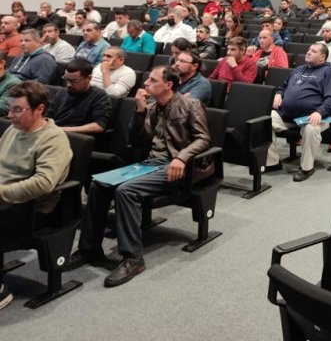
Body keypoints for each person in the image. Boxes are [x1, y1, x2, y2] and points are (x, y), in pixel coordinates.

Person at [66, 66, 210, 287]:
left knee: (127, 191)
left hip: (176, 168)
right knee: (99, 184)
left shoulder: (191, 105)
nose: (146, 84)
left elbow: (203, 139)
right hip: (150, 164)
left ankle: (133, 258)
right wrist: (141, 110)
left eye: (152, 81)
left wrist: (181, 158)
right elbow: (137, 140)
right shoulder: (152, 108)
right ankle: (89, 248)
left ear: (168, 85)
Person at [0, 81, 72, 310]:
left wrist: (1, 193)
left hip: (29, 209)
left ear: (39, 109)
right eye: (9, 108)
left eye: (17, 110)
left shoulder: (53, 139)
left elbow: (44, 183)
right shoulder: (15, 128)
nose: (10, 115)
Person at [266, 43, 331, 182]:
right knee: (264, 121)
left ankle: (307, 168)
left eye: (313, 51)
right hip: (287, 115)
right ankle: (272, 162)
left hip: (315, 116)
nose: (308, 52)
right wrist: (278, 94)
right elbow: (283, 87)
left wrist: (320, 112)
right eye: (309, 50)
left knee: (311, 129)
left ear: (322, 57)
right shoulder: (298, 69)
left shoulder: (329, 72)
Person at [51, 58, 111, 134]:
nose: (69, 84)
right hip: (55, 133)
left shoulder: (99, 96)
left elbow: (99, 126)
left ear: (89, 78)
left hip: (77, 137)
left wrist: (63, 129)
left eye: (74, 81)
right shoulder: (62, 92)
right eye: (66, 79)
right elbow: (48, 115)